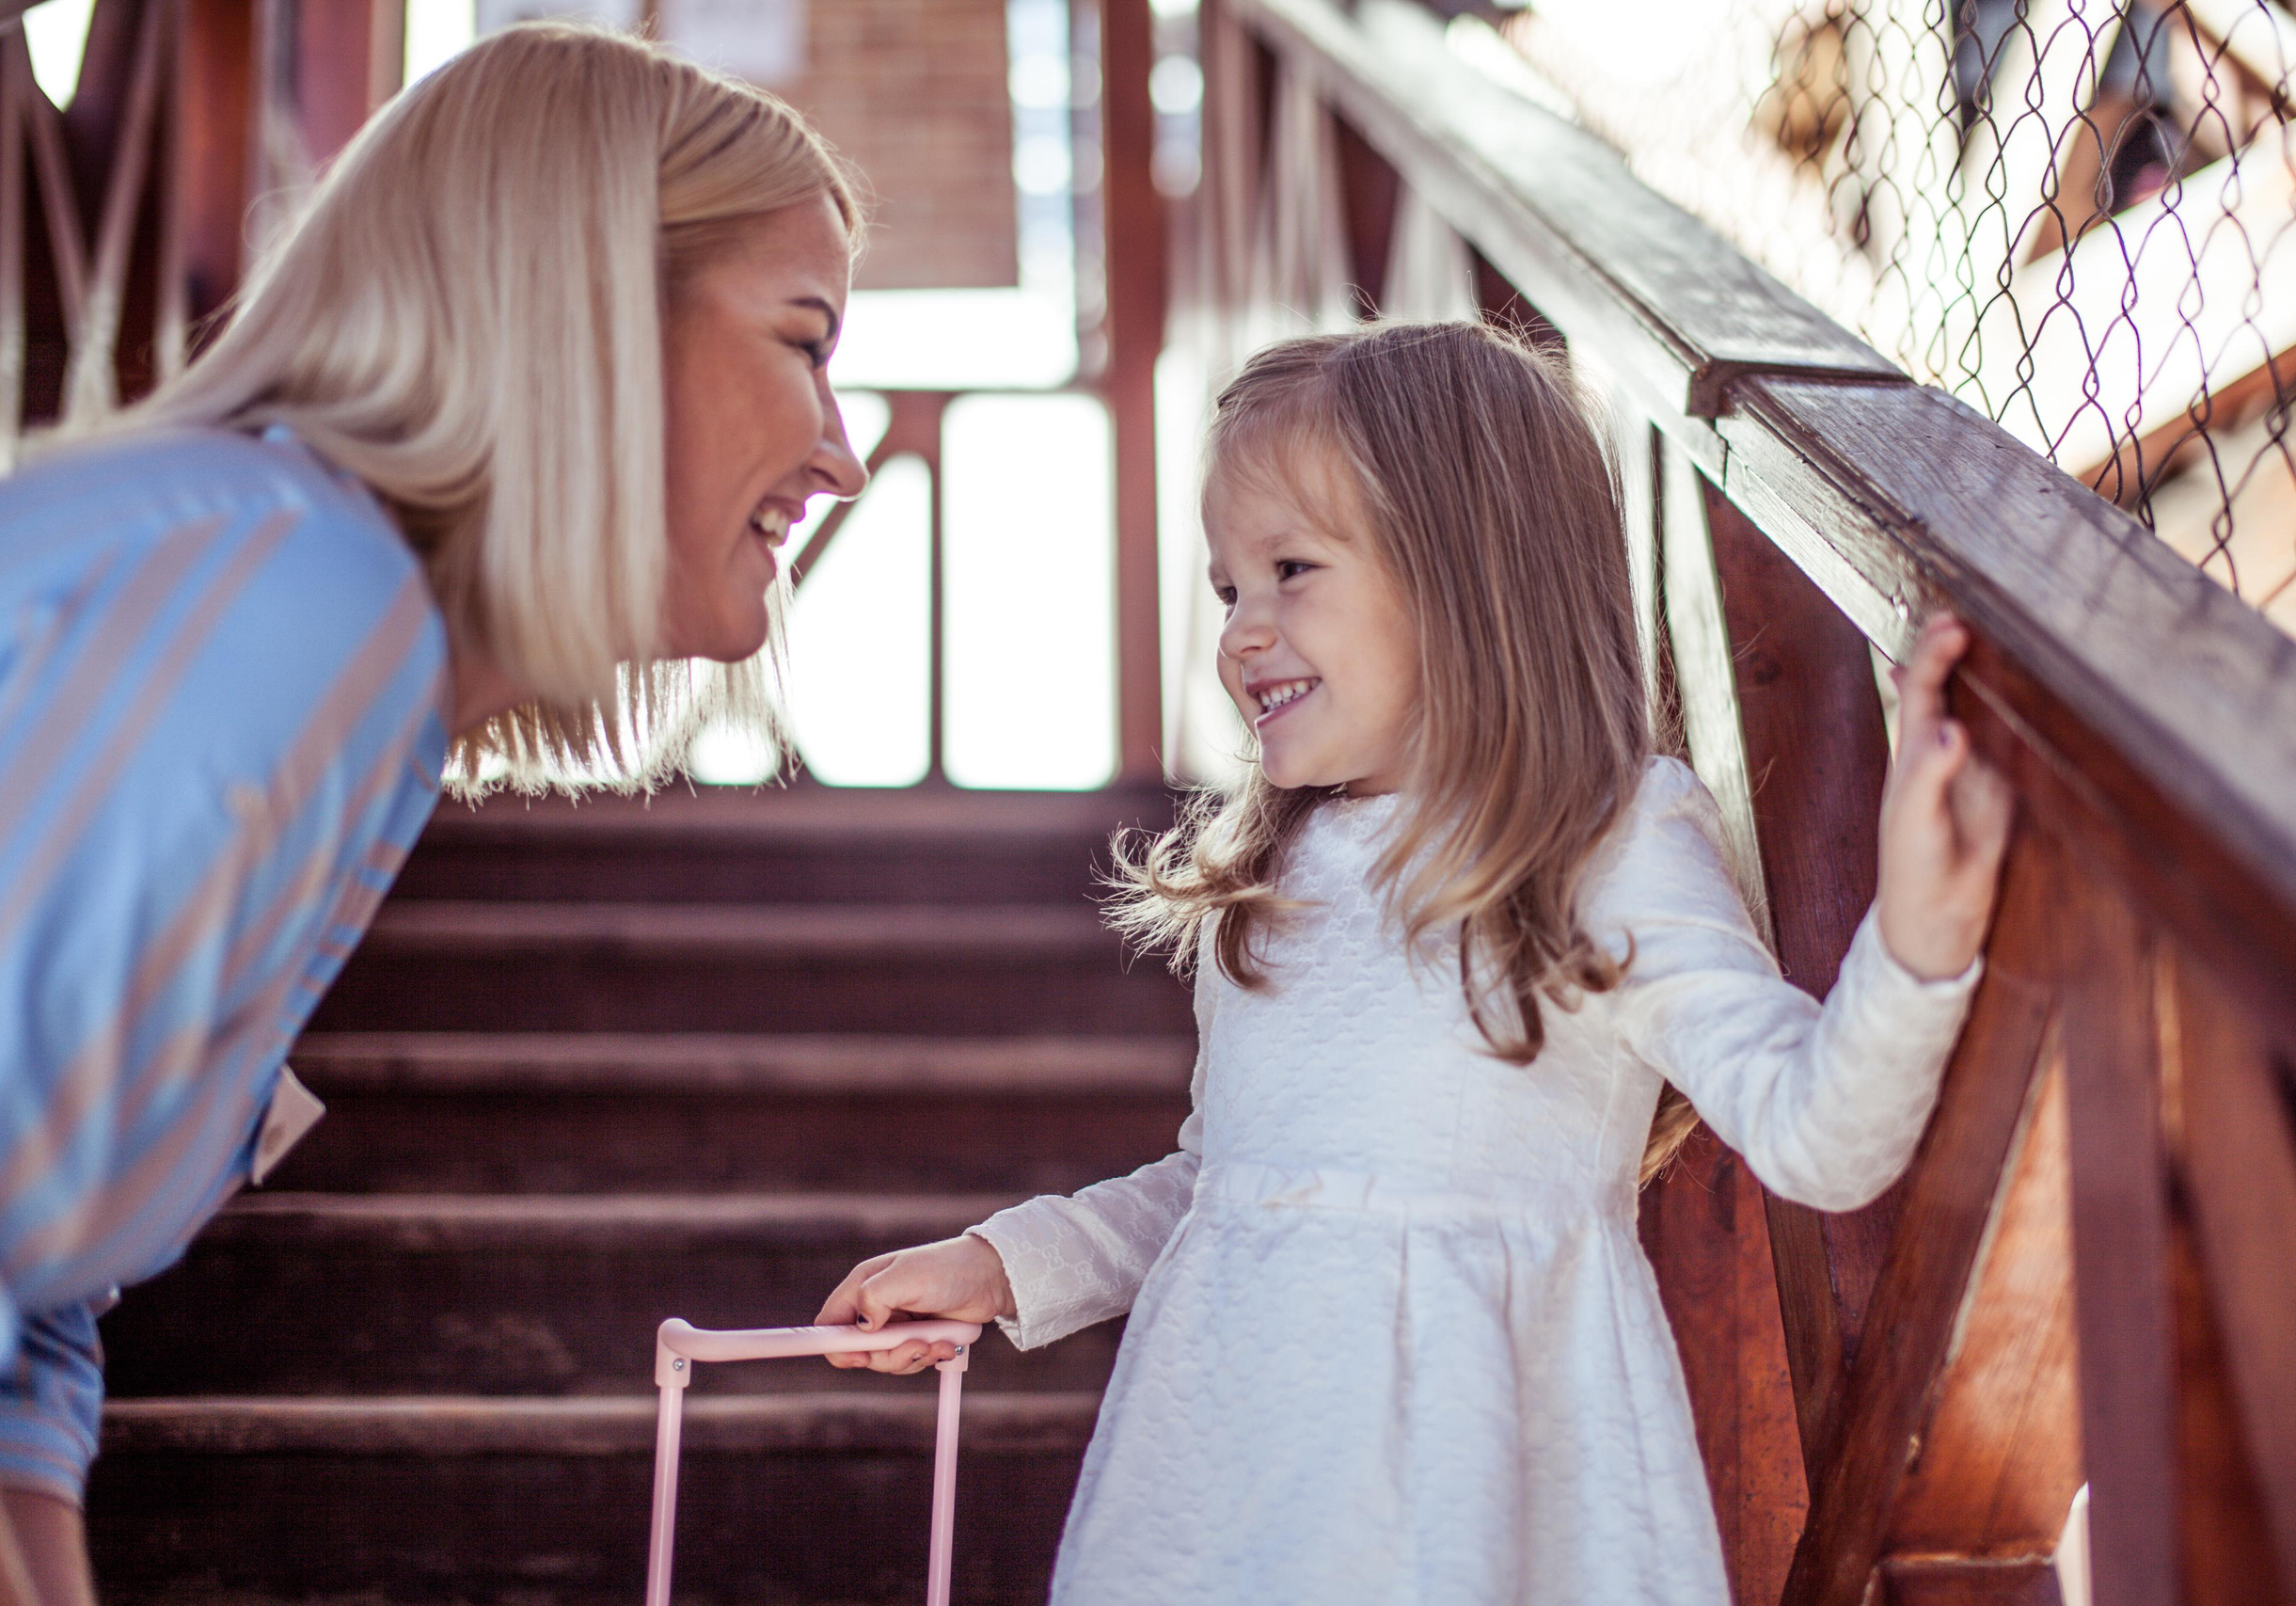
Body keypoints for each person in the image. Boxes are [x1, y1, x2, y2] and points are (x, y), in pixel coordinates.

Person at [815, 322, 2014, 1603]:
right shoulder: (1276, 882)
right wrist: (1010, 1266)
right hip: (1233, 1498)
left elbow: (1816, 1134)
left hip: (1484, 1504)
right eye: (1229, 589)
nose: (1241, 632)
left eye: (1290, 570)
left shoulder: (1606, 838)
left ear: (1467, 577)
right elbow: (1228, 1190)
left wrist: (1919, 945)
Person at [0, 24, 867, 1604]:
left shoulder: (363, 681)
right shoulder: (292, 603)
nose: (844, 452)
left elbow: (38, 1299)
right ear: (588, 320)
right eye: (805, 344)